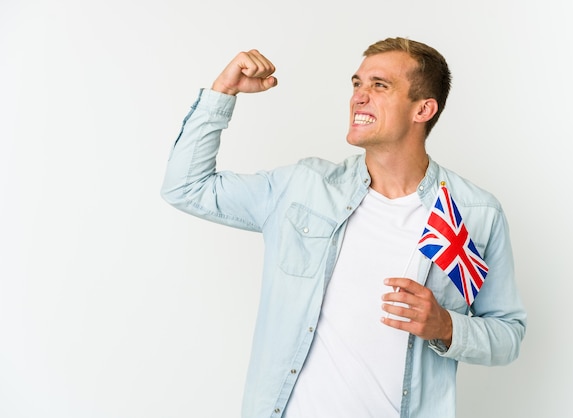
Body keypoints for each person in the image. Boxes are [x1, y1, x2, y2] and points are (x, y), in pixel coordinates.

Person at [161, 37, 526, 418]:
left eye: (379, 85)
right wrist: (224, 92)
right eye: (357, 84)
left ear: (423, 109)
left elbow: (508, 334)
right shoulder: (302, 188)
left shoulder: (474, 213)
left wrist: (446, 326)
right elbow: (186, 187)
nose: (359, 97)